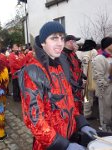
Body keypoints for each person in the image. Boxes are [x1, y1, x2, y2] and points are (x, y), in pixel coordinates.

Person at [18, 21, 97, 150]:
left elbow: (69, 102)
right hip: (51, 144)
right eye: (54, 38)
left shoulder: (59, 65)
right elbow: (34, 119)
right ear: (43, 42)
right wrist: (63, 145)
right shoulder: (33, 71)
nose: (60, 43)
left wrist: (82, 123)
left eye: (62, 38)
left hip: (70, 136)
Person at [92, 37, 112, 132]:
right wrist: (104, 91)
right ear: (108, 46)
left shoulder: (110, 57)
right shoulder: (100, 58)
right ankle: (105, 132)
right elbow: (98, 77)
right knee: (106, 115)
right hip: (105, 92)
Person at [62, 35, 84, 114]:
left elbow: (77, 67)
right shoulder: (62, 55)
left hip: (77, 87)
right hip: (71, 89)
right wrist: (75, 86)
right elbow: (66, 73)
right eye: (74, 41)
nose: (76, 43)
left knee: (79, 107)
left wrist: (83, 76)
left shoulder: (73, 54)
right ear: (68, 42)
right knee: (73, 110)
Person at [76, 40, 98, 119]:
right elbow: (96, 65)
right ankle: (87, 114)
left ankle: (80, 112)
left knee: (81, 95)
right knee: (88, 96)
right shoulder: (93, 52)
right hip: (89, 77)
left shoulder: (78, 53)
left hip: (78, 77)